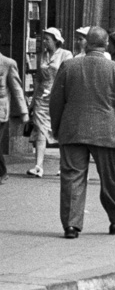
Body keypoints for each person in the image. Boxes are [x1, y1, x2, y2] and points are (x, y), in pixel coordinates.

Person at [48, 26, 115, 238]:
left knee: (72, 176)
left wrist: (56, 127)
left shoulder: (68, 66)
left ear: (87, 43)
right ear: (106, 44)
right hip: (106, 132)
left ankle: (71, 224)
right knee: (109, 177)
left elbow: (56, 100)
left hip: (73, 129)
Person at [26, 27, 72, 178]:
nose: (44, 42)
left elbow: (68, 76)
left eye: (47, 39)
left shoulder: (66, 54)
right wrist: (32, 101)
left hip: (59, 96)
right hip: (42, 97)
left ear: (56, 40)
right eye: (44, 39)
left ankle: (63, 165)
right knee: (40, 129)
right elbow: (38, 79)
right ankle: (38, 166)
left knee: (61, 129)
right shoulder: (42, 56)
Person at [0, 45, 28, 186]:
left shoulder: (8, 63)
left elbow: (17, 89)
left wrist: (24, 112)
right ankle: (2, 172)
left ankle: (2, 173)